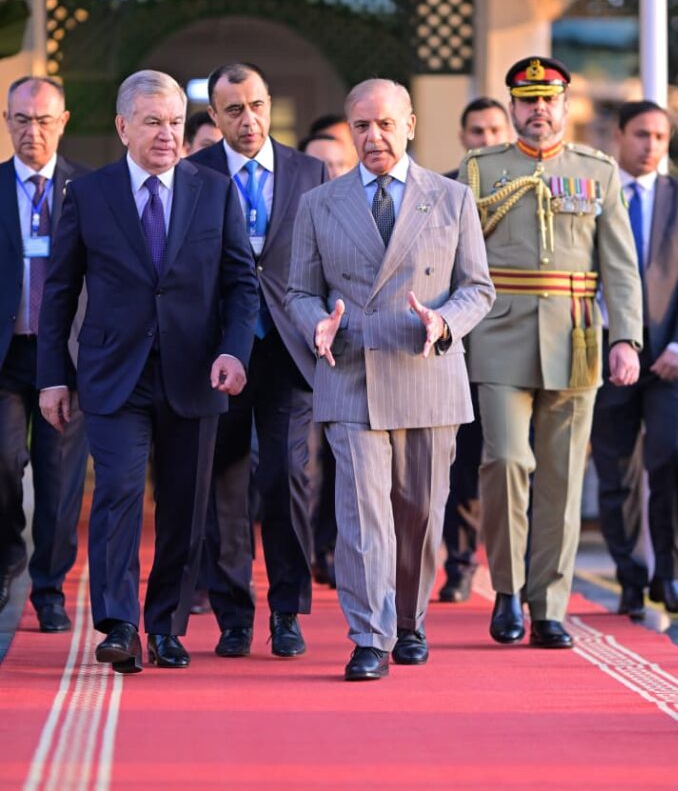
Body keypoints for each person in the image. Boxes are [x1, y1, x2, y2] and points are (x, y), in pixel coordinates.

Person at [38, 69, 259, 674]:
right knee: (117, 494)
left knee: (185, 506)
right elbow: (59, 293)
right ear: (123, 126)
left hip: (195, 373)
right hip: (115, 374)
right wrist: (53, 376)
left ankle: (165, 625)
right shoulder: (89, 194)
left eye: (175, 123)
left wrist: (234, 351)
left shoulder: (215, 191)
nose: (167, 134)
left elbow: (242, 284)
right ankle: (119, 624)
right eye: (153, 122)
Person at [287, 78, 494, 681]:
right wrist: (316, 323)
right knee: (361, 513)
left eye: (385, 124)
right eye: (361, 126)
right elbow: (298, 290)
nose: (373, 136)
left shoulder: (452, 198)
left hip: (427, 372)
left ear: (409, 125)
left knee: (420, 514)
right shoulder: (319, 204)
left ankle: (409, 621)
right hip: (351, 369)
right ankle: (369, 637)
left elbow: (477, 288)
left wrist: (444, 322)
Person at [459, 56, 643, 649]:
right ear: (512, 108)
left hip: (576, 336)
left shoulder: (597, 171)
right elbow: (458, 256)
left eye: (548, 100)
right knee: (507, 462)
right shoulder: (480, 169)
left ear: (564, 106)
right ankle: (507, 589)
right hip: (498, 335)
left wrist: (626, 339)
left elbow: (621, 266)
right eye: (527, 100)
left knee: (562, 476)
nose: (538, 110)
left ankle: (548, 606)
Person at [191, 62, 326, 660]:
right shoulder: (193, 173)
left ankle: (287, 611)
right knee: (223, 482)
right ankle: (233, 616)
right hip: (218, 350)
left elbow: (324, 255)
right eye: (234, 110)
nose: (249, 120)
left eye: (257, 106)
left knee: (286, 475)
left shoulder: (309, 171)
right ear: (214, 117)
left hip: (289, 348)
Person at [591, 100, 678, 618]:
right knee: (615, 471)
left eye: (660, 137)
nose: (651, 145)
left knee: (670, 460)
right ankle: (630, 579)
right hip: (607, 354)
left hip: (671, 360)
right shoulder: (596, 194)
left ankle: (670, 575)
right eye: (641, 134)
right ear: (619, 135)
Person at [0, 76, 89, 631]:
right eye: (21, 120)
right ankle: (8, 556)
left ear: (63, 122)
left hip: (66, 355)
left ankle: (50, 587)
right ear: (7, 122)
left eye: (42, 120)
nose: (31, 131)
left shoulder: (88, 190)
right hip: (6, 354)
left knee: (60, 479)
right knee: (4, 460)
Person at [440, 96, 512, 603]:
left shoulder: (529, 189)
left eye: (494, 131)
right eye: (476, 131)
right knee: (461, 464)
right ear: (463, 137)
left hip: (515, 347)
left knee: (512, 461)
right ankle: (460, 565)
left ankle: (518, 570)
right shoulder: (440, 192)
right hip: (459, 346)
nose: (485, 140)